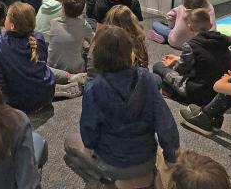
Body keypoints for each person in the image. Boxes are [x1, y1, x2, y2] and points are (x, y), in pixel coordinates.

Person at [64, 25, 179, 187]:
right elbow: (166, 124)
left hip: (111, 164)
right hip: (146, 161)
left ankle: (104, 182)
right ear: (130, 53)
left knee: (70, 142)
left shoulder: (93, 88)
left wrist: (92, 148)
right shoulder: (147, 79)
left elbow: (89, 132)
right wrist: (170, 157)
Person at [152, 9, 231, 105]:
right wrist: (178, 58)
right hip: (218, 89)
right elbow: (205, 60)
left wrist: (173, 64)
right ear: (211, 24)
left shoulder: (191, 46)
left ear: (190, 27)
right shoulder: (224, 39)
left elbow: (181, 69)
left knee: (158, 66)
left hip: (196, 90)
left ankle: (168, 90)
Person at [0, 2, 55, 113]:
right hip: (46, 95)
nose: (4, 18)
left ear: (12, 25)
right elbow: (42, 66)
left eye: (7, 17)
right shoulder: (39, 38)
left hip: (17, 104)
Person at [151, 0, 215, 49]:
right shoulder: (208, 7)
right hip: (196, 46)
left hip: (175, 42)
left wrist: (173, 27)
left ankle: (164, 39)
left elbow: (170, 16)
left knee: (156, 24)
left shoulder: (185, 4)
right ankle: (165, 38)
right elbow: (212, 30)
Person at [48, 0, 93, 74]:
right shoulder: (84, 25)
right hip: (75, 71)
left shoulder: (53, 23)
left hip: (53, 69)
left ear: (63, 9)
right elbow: (94, 40)